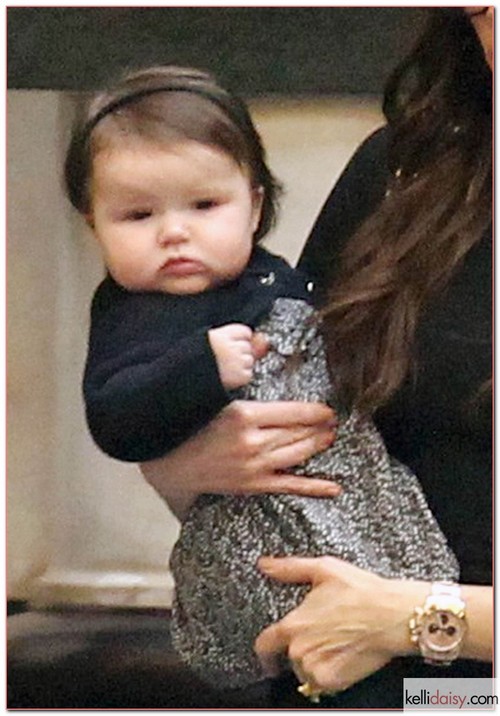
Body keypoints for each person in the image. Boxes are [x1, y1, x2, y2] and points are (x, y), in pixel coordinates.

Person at [140, 7, 493, 708]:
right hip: (338, 676)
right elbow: (274, 449)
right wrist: (187, 460)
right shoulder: (403, 169)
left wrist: (413, 616)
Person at [65, 64, 458, 690]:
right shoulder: (130, 314)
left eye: (204, 205)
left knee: (441, 696)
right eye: (137, 215)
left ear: (255, 206)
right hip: (283, 558)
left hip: (427, 609)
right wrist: (194, 408)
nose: (174, 233)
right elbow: (115, 417)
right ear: (94, 225)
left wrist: (429, 617)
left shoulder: (269, 278)